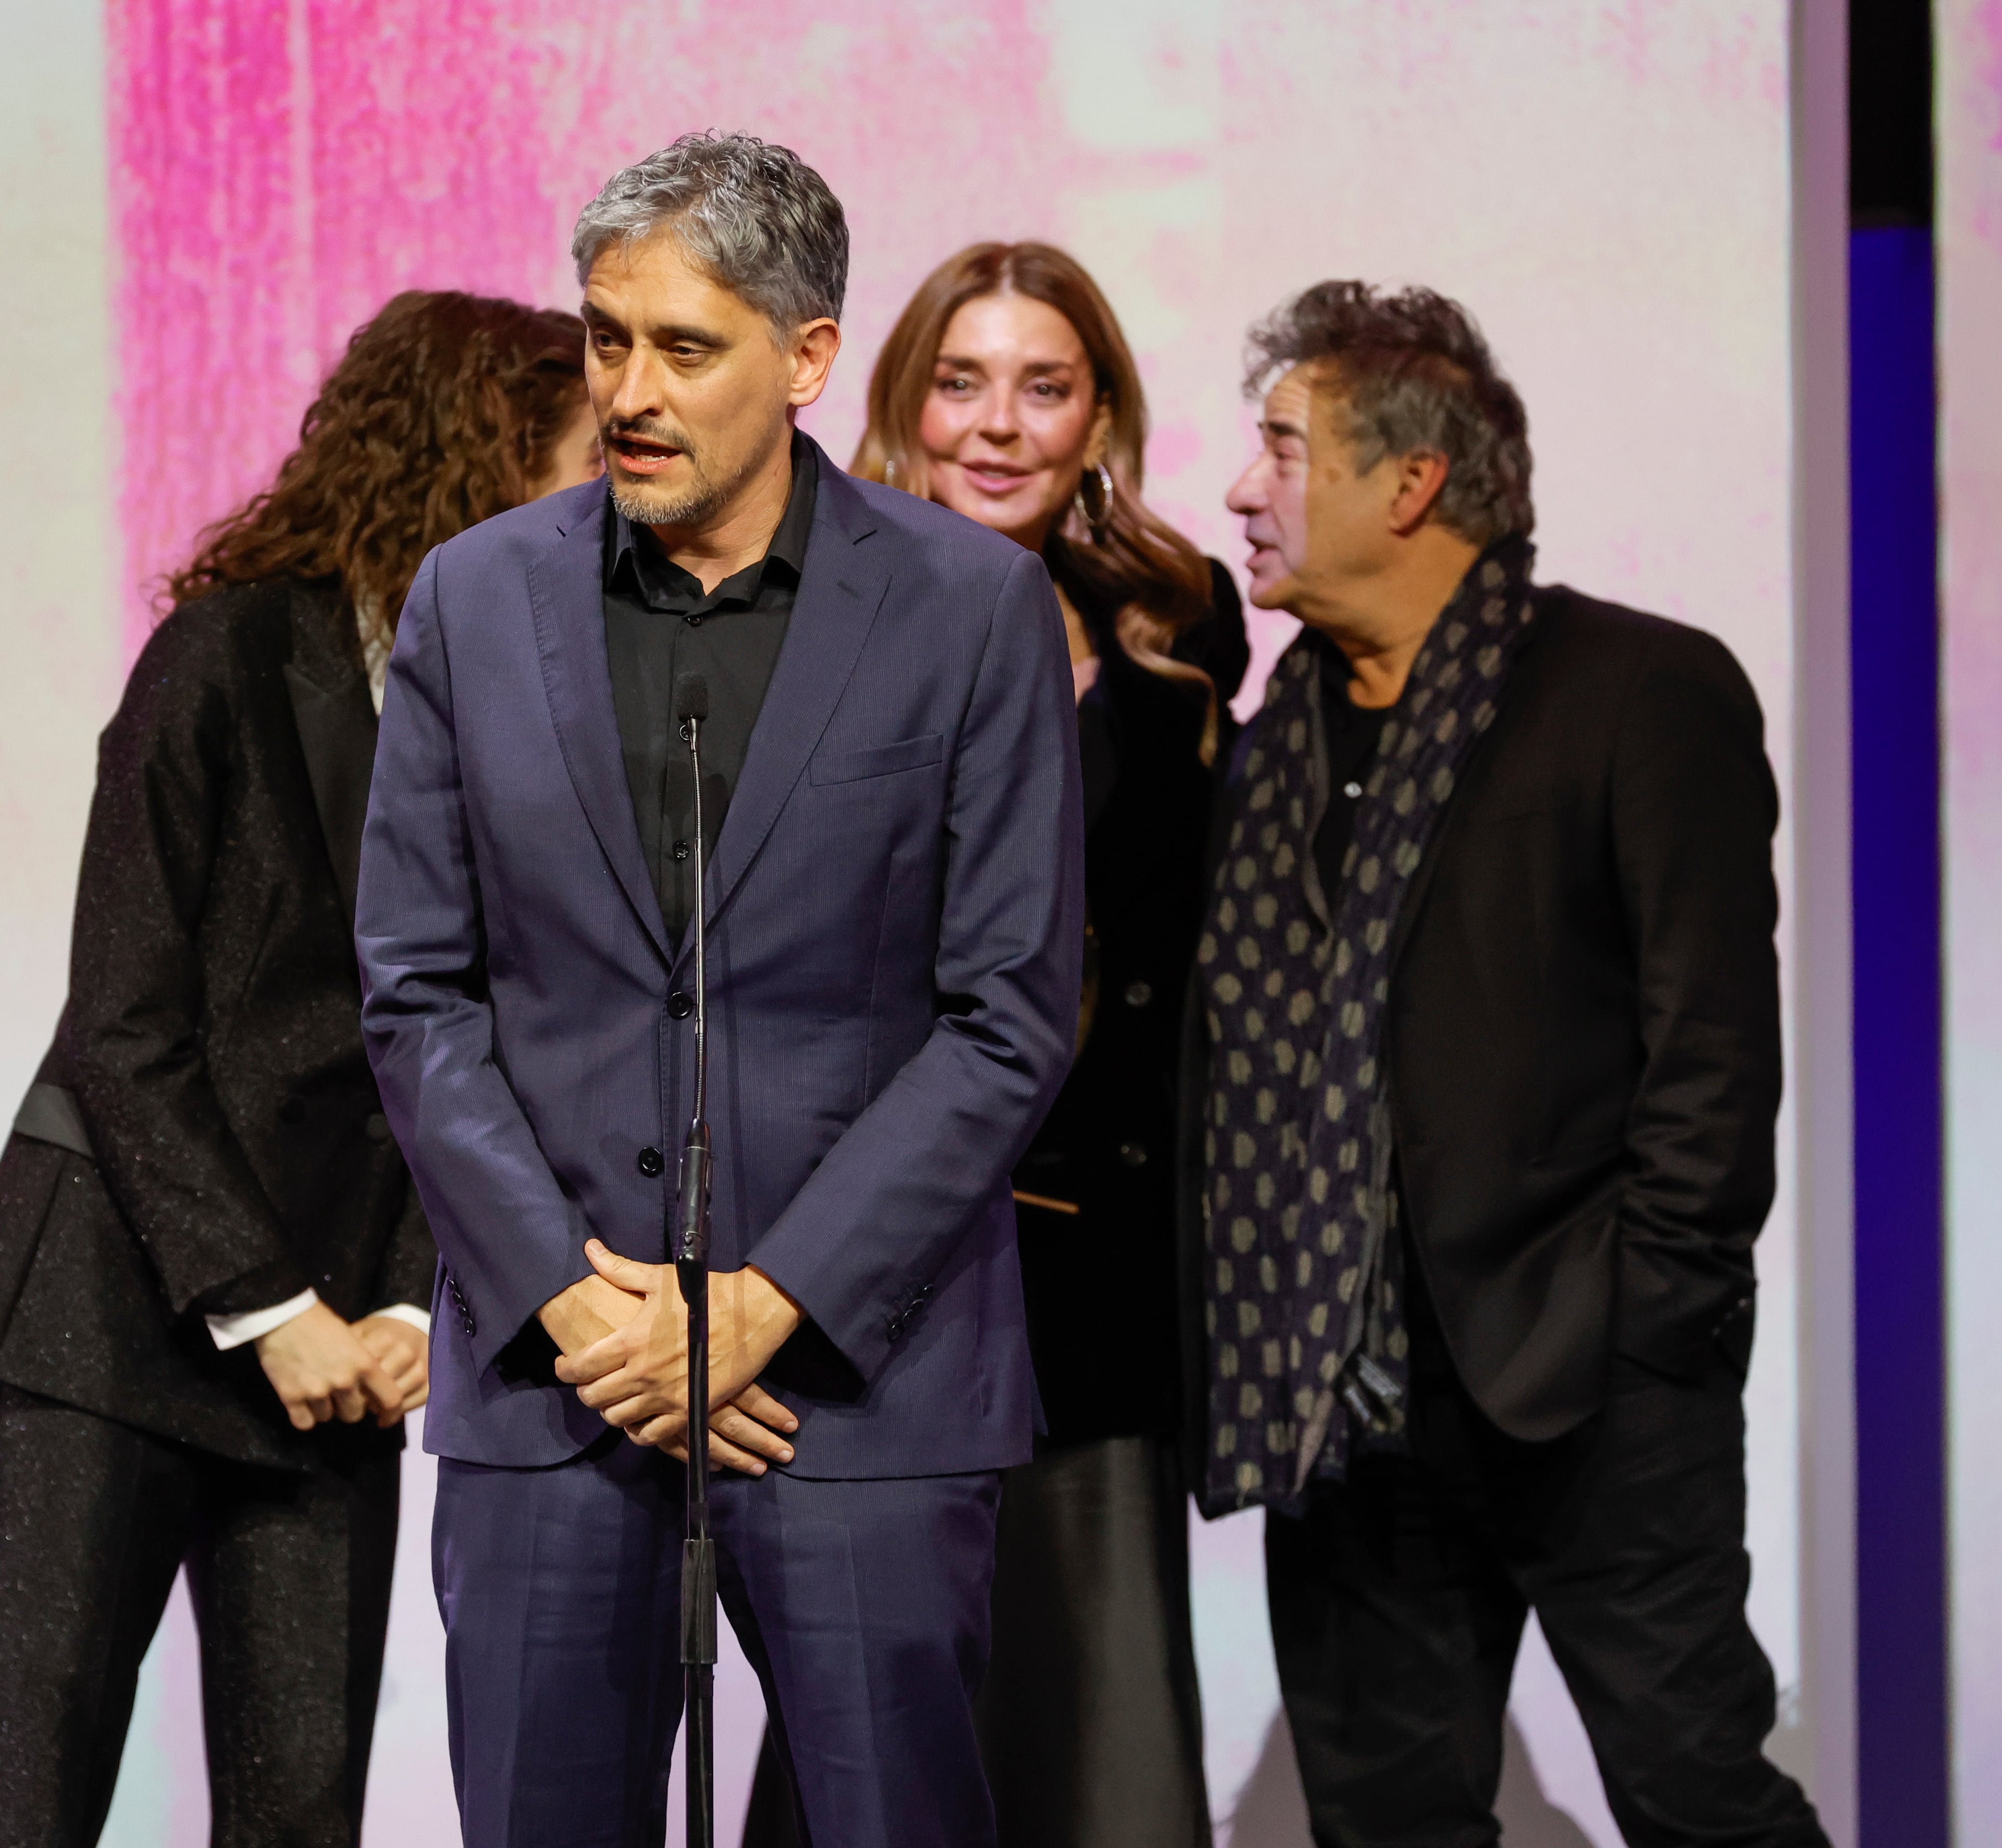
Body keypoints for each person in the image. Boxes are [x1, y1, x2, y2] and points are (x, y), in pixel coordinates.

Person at [355, 135, 1081, 1848]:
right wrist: (575, 1304)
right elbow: (415, 994)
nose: (632, 389)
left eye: (685, 348)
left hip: (857, 1381)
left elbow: (1009, 1013)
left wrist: (771, 1301)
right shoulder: (476, 599)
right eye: (609, 339)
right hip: (558, 1383)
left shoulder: (975, 611)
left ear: (808, 359)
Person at [0, 289, 600, 1848]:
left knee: (302, 1812)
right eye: (575, 474)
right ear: (475, 465)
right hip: (111, 1318)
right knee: (29, 1797)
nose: (598, 524)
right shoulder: (229, 658)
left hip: (344, 1351)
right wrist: (268, 1306)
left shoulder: (530, 723)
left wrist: (416, 1301)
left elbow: (489, 1049)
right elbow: (122, 1026)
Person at [1189, 281, 1828, 1848]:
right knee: (1388, 1828)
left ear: (1409, 485)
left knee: (1701, 1802)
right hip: (1335, 1406)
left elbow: (1713, 1056)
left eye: (1283, 449)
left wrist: (1652, 1326)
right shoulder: (1275, 743)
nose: (1238, 491)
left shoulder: (1636, 691)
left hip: (1586, 1385)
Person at [744, 241, 1244, 1848]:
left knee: (1094, 1737)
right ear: (900, 399)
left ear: (1102, 416)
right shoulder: (797, 611)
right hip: (853, 1264)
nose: (999, 426)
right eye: (962, 382)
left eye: (1045, 387)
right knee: (873, 1735)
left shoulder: (1180, 644)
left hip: (1095, 1291)